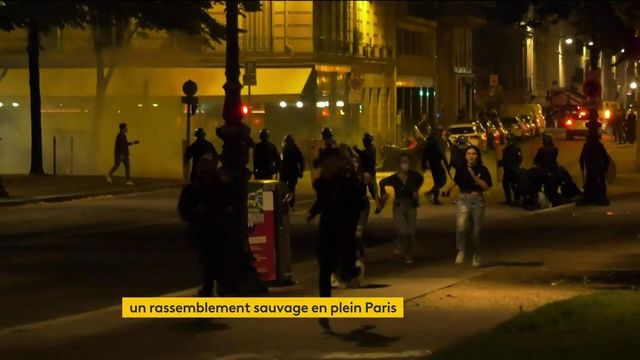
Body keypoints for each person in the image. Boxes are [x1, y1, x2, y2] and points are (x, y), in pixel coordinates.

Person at [307, 146, 362, 298]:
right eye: (326, 164)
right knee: (324, 268)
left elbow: (355, 205)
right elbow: (322, 200)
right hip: (328, 228)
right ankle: (325, 306)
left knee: (343, 259)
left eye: (331, 164)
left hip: (343, 227)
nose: (328, 167)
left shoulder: (347, 181)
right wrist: (313, 212)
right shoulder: (323, 183)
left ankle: (347, 270)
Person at [177, 155, 227, 297]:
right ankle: (212, 285)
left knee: (212, 259)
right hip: (205, 230)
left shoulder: (214, 187)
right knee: (208, 260)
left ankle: (213, 285)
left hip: (212, 229)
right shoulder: (194, 188)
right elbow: (184, 210)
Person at [442, 145, 492, 267]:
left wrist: (474, 177)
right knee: (461, 226)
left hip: (477, 200)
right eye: (468, 154)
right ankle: (461, 250)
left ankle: (475, 255)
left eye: (473, 154)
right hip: (464, 199)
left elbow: (486, 186)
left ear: (478, 156)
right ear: (465, 156)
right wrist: (448, 189)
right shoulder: (461, 168)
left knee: (476, 230)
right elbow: (456, 181)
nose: (471, 156)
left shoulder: (483, 169)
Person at [379, 153, 424, 264]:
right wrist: (383, 194)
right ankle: (401, 244)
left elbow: (421, 179)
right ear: (399, 164)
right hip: (399, 205)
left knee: (411, 232)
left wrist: (415, 190)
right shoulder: (394, 178)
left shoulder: (414, 176)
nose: (405, 164)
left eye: (407, 162)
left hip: (411, 205)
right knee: (403, 231)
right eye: (403, 162)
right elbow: (382, 182)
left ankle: (408, 254)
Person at [578, 122, 610, 206]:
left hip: (594, 166)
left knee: (595, 180)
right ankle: (597, 196)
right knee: (597, 180)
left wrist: (582, 163)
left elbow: (583, 156)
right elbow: (605, 157)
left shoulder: (590, 145)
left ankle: (595, 197)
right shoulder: (597, 145)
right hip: (596, 166)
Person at [352, 132, 382, 213]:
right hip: (370, 172)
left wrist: (356, 149)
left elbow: (364, 155)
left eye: (364, 139)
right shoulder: (369, 148)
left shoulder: (370, 148)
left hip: (368, 173)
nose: (363, 141)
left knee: (364, 190)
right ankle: (378, 204)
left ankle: (365, 206)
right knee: (372, 190)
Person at [422, 125, 449, 205]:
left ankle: (435, 200)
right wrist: (447, 164)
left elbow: (425, 152)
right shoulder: (438, 139)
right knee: (442, 179)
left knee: (437, 181)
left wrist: (424, 163)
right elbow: (441, 153)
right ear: (440, 131)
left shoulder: (430, 139)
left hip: (431, 162)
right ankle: (430, 192)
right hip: (436, 162)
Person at [279, 134, 305, 210]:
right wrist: (301, 171)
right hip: (291, 171)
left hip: (289, 171)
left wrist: (301, 171)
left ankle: (288, 204)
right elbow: (301, 161)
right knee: (290, 189)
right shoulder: (289, 149)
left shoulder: (286, 149)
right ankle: (289, 204)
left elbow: (301, 161)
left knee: (289, 189)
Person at [534, 134, 560, 206]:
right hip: (554, 169)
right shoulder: (555, 149)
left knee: (540, 184)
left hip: (545, 170)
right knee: (553, 186)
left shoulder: (542, 150)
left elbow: (537, 160)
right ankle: (554, 200)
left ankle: (544, 200)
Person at [499, 134, 523, 205]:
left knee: (506, 184)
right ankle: (517, 199)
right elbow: (520, 158)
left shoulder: (508, 148)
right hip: (515, 169)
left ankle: (509, 200)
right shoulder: (517, 147)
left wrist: (501, 163)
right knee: (515, 184)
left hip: (509, 170)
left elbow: (506, 159)